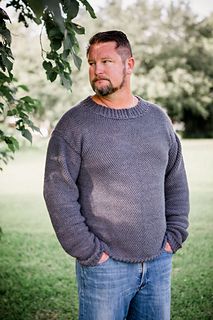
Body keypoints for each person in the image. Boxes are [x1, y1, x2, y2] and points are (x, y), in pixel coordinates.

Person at [43, 30, 189, 320]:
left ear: (129, 65)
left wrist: (175, 235)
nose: (97, 70)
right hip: (104, 269)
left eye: (106, 61)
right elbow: (58, 192)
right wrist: (90, 253)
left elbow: (175, 181)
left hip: (158, 263)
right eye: (91, 63)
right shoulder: (73, 125)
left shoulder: (157, 119)